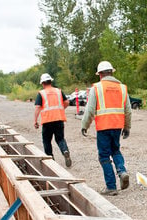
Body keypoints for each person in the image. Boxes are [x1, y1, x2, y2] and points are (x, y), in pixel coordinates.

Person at [81, 61, 132, 196]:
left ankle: (111, 187)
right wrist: (127, 127)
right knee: (115, 150)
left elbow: (90, 109)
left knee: (104, 155)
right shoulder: (122, 88)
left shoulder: (96, 88)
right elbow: (128, 110)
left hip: (103, 126)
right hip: (117, 125)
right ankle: (122, 171)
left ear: (100, 75)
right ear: (112, 72)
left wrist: (84, 125)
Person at [34, 73, 72, 167]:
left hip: (47, 121)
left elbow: (38, 107)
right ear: (51, 81)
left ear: (42, 83)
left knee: (47, 140)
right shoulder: (58, 91)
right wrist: (61, 109)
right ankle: (65, 151)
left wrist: (35, 121)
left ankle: (50, 159)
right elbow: (66, 102)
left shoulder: (41, 93)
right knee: (60, 138)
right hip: (59, 119)